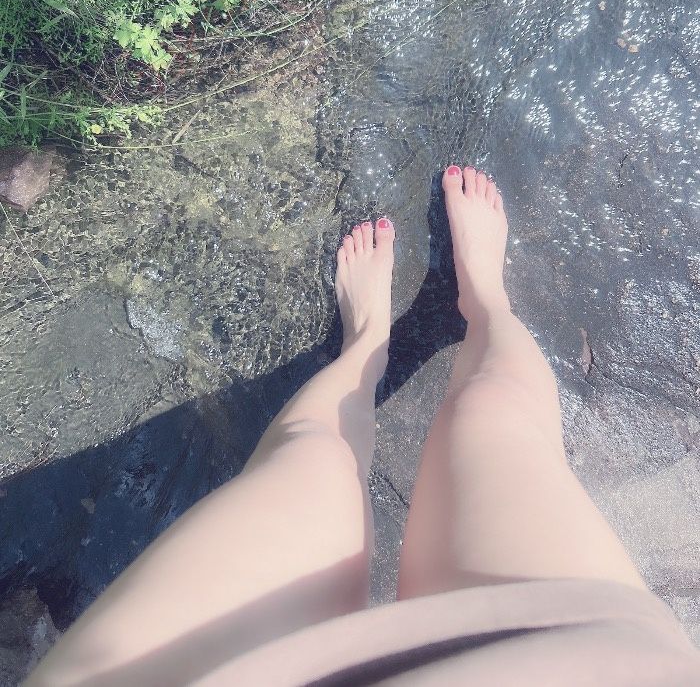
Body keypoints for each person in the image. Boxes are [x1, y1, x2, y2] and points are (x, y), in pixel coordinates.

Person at [27, 166, 700, 686]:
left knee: (312, 457)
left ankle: (376, 343)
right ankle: (473, 306)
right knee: (493, 410)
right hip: (573, 662)